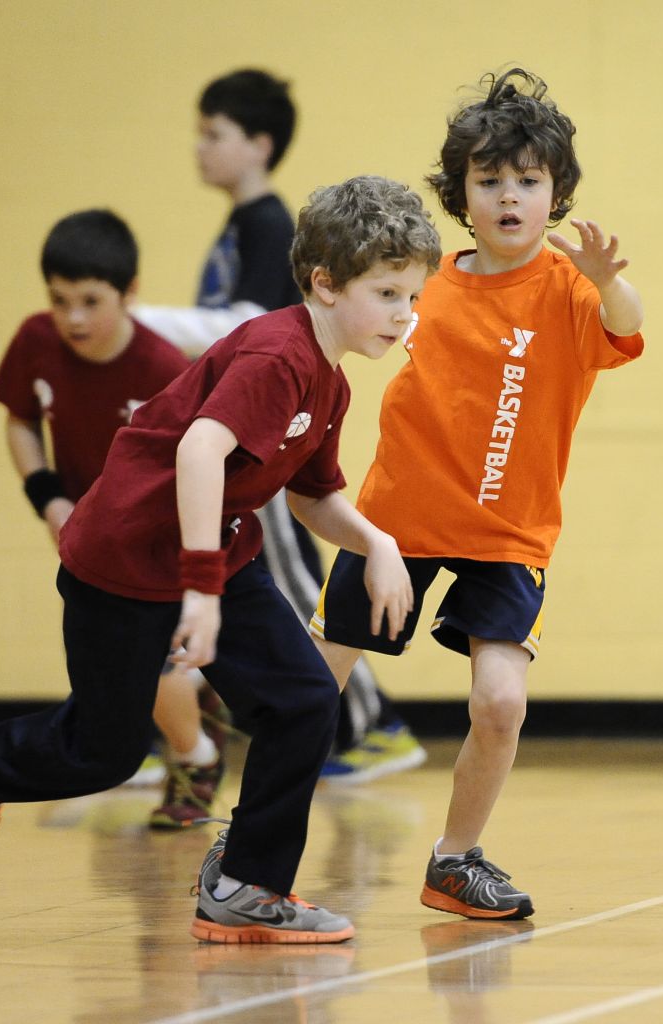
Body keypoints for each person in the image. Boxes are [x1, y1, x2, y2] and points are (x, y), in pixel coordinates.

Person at [0, 175, 444, 945]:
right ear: (325, 284)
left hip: (218, 555)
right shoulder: (277, 355)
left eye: (413, 296)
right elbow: (201, 449)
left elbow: (309, 494)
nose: (406, 315)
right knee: (105, 750)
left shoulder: (327, 382)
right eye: (389, 292)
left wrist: (380, 543)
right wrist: (200, 594)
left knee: (302, 700)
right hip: (124, 563)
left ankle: (244, 886)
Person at [309, 68, 645, 920]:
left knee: (500, 700)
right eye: (489, 179)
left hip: (510, 533)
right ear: (460, 192)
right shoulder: (425, 283)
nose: (508, 196)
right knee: (315, 686)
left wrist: (607, 278)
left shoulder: (571, 293)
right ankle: (251, 835)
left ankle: (455, 859)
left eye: (528, 181)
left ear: (555, 194)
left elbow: (627, 325)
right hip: (397, 524)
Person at [134, 68, 426, 802]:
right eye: (389, 296)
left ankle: (357, 724)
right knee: (271, 604)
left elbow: (238, 329)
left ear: (259, 145)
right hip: (234, 446)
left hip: (255, 442)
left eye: (215, 134)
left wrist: (140, 321)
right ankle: (168, 738)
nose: (200, 149)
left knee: (294, 591)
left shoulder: (268, 228)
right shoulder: (248, 242)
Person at [0, 209, 223, 805]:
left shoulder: (165, 369)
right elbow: (19, 418)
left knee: (152, 661)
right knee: (118, 670)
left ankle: (196, 758)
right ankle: (192, 724)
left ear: (130, 293)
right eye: (59, 299)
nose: (73, 318)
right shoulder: (35, 341)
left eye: (90, 301)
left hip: (153, 537)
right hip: (84, 540)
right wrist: (47, 496)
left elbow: (201, 465)